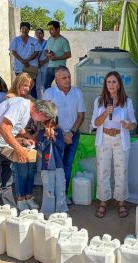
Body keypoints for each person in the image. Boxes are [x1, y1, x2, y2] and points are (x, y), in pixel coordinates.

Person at [91, 71, 137, 218]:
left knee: (121, 171)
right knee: (103, 170)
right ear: (105, 84)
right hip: (104, 138)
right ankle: (103, 201)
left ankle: (121, 201)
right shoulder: (99, 101)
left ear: (119, 85)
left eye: (114, 82)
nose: (111, 85)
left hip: (120, 139)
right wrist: (105, 113)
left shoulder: (127, 102)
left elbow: (134, 123)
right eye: (109, 82)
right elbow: (94, 123)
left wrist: (129, 125)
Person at [0, 95, 35, 210]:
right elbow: (4, 128)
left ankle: (10, 211)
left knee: (7, 181)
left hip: (3, 144)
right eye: (43, 120)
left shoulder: (25, 109)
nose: (40, 122)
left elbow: (15, 129)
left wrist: (24, 139)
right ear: (40, 112)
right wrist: (20, 150)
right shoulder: (21, 105)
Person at [43, 66, 85, 204]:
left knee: (68, 165)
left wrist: (71, 133)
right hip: (55, 134)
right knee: (55, 166)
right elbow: (46, 117)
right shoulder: (49, 93)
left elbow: (81, 116)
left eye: (69, 77)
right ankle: (53, 195)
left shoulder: (77, 92)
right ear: (56, 79)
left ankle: (63, 195)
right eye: (64, 78)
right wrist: (62, 133)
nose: (68, 80)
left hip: (73, 134)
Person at [7, 73, 41, 210]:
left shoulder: (30, 99)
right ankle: (20, 198)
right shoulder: (10, 98)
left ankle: (29, 196)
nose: (27, 88)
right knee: (21, 171)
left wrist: (35, 136)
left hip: (32, 138)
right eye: (25, 85)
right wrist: (22, 139)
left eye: (29, 86)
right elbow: (9, 126)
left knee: (30, 171)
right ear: (18, 83)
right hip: (17, 139)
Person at [38, 115, 68, 216]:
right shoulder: (41, 133)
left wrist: (54, 137)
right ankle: (48, 211)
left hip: (59, 166)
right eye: (48, 125)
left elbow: (62, 146)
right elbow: (40, 149)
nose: (50, 128)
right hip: (46, 168)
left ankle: (61, 210)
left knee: (61, 188)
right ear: (44, 124)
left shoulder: (58, 132)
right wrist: (47, 137)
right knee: (48, 190)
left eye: (53, 126)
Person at [10, 21, 39, 99]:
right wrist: (22, 60)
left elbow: (37, 52)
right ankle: (20, 102)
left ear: (29, 30)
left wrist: (27, 60)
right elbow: (13, 51)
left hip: (31, 66)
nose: (24, 30)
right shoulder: (16, 40)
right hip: (19, 67)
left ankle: (33, 103)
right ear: (20, 29)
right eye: (23, 28)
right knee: (20, 86)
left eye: (26, 28)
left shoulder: (34, 40)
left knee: (31, 86)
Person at [44, 20, 71, 90]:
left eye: (51, 29)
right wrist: (48, 54)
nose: (50, 31)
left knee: (61, 86)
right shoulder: (49, 39)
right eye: (49, 29)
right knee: (46, 85)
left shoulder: (64, 41)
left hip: (60, 67)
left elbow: (68, 54)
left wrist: (56, 58)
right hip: (50, 67)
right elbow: (45, 50)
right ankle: (48, 101)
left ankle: (61, 100)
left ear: (58, 29)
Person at [35, 28, 48, 99]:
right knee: (37, 86)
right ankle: (39, 101)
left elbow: (51, 54)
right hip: (36, 67)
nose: (38, 35)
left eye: (40, 33)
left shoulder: (47, 43)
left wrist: (44, 61)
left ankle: (46, 100)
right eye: (37, 33)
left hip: (45, 66)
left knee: (44, 85)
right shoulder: (34, 43)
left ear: (43, 34)